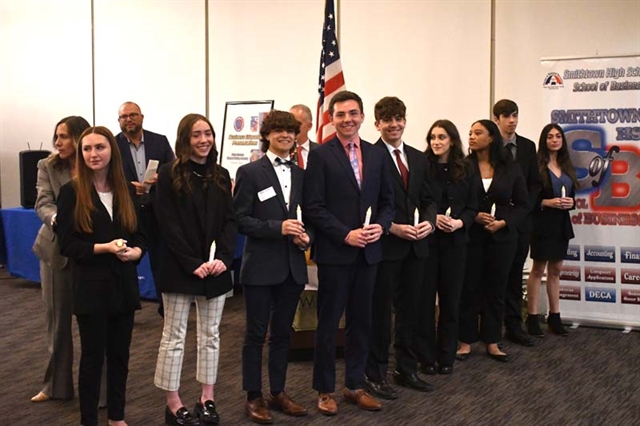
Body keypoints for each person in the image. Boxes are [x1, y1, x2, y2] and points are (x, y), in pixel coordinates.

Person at [304, 90, 394, 416]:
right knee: (329, 324)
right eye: (340, 114)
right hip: (335, 253)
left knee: (362, 322)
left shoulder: (377, 154)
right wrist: (345, 234)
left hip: (369, 253)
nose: (347, 119)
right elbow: (313, 206)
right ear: (331, 118)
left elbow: (388, 202)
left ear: (362, 116)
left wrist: (380, 227)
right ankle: (325, 390)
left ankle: (354, 385)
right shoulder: (321, 155)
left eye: (353, 113)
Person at [56, 126, 145, 426]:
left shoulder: (128, 190)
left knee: (120, 357)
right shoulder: (71, 191)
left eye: (100, 148)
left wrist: (138, 252)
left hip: (123, 284)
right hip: (91, 288)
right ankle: (89, 420)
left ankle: (117, 417)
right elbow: (67, 244)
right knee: (93, 359)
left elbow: (140, 234)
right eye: (87, 149)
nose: (93, 154)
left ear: (112, 151)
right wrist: (103, 247)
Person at [154, 113, 237, 426]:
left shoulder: (220, 174)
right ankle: (173, 402)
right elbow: (167, 226)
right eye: (196, 135)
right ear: (185, 139)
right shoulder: (169, 174)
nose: (204, 140)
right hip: (179, 269)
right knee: (174, 337)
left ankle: (207, 397)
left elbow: (230, 221)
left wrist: (224, 259)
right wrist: (192, 263)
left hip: (215, 270)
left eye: (208, 134)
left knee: (210, 336)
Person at [234, 110, 311, 423]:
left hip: (292, 266)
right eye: (279, 130)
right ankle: (253, 396)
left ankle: (278, 391)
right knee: (255, 334)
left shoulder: (303, 175)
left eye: (291, 132)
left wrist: (307, 239)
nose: (285, 136)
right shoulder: (249, 173)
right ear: (266, 135)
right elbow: (240, 220)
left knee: (282, 335)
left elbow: (311, 216)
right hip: (261, 267)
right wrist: (277, 228)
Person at [364, 97, 436, 400]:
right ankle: (375, 374)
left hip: (416, 248)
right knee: (380, 314)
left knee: (412, 311)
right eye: (387, 120)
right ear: (377, 124)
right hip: (386, 247)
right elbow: (368, 203)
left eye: (399, 118)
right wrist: (391, 227)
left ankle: (405, 368)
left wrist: (430, 223)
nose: (394, 124)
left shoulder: (419, 158)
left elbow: (429, 199)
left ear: (405, 121)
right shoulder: (370, 156)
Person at [457, 120, 528, 363]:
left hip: (502, 238)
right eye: (470, 133)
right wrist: (473, 215)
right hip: (472, 238)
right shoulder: (464, 166)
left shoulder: (511, 167)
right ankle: (466, 340)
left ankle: (492, 341)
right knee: (469, 288)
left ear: (491, 138)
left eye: (478, 133)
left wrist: (504, 222)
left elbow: (522, 205)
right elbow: (456, 203)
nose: (471, 137)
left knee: (496, 290)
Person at [31, 116, 90, 403]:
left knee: (95, 323)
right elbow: (42, 203)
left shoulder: (97, 161)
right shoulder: (47, 166)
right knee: (58, 322)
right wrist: (60, 220)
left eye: (64, 136)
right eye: (56, 136)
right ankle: (56, 386)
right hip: (56, 252)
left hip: (92, 253)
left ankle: (100, 393)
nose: (57, 142)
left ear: (80, 138)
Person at [416, 119, 478, 375]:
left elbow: (474, 207)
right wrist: (433, 218)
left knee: (451, 301)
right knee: (425, 301)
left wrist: (460, 222)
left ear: (452, 140)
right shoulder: (422, 166)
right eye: (433, 137)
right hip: (429, 243)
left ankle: (446, 356)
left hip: (455, 242)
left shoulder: (467, 168)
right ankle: (427, 357)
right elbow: (417, 202)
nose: (436, 142)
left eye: (442, 137)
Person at [115, 101, 175, 316]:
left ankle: (165, 308)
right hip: (127, 211)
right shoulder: (112, 145)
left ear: (142, 117)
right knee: (125, 260)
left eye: (133, 115)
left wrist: (161, 178)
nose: (129, 119)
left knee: (161, 261)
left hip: (156, 210)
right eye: (124, 117)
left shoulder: (160, 141)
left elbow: (174, 170)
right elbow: (106, 177)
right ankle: (125, 308)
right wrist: (126, 186)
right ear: (119, 121)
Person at [493, 100, 541, 347]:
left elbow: (534, 183)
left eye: (515, 115)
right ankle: (489, 329)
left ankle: (513, 326)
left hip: (520, 223)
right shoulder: (488, 146)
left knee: (514, 275)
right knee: (493, 277)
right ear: (496, 119)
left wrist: (523, 210)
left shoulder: (527, 147)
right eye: (506, 116)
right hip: (493, 223)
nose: (512, 120)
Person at [526, 124, 577, 337]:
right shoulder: (536, 166)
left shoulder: (566, 165)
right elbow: (529, 200)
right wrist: (547, 202)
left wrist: (570, 203)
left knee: (556, 270)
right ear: (543, 140)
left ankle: (554, 317)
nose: (554, 140)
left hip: (561, 223)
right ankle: (532, 318)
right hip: (541, 223)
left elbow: (573, 196)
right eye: (550, 137)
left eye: (558, 136)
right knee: (538, 269)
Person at [289, 104, 319, 170]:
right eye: (290, 123)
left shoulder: (321, 151)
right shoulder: (282, 150)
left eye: (297, 123)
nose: (292, 127)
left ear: (309, 126)